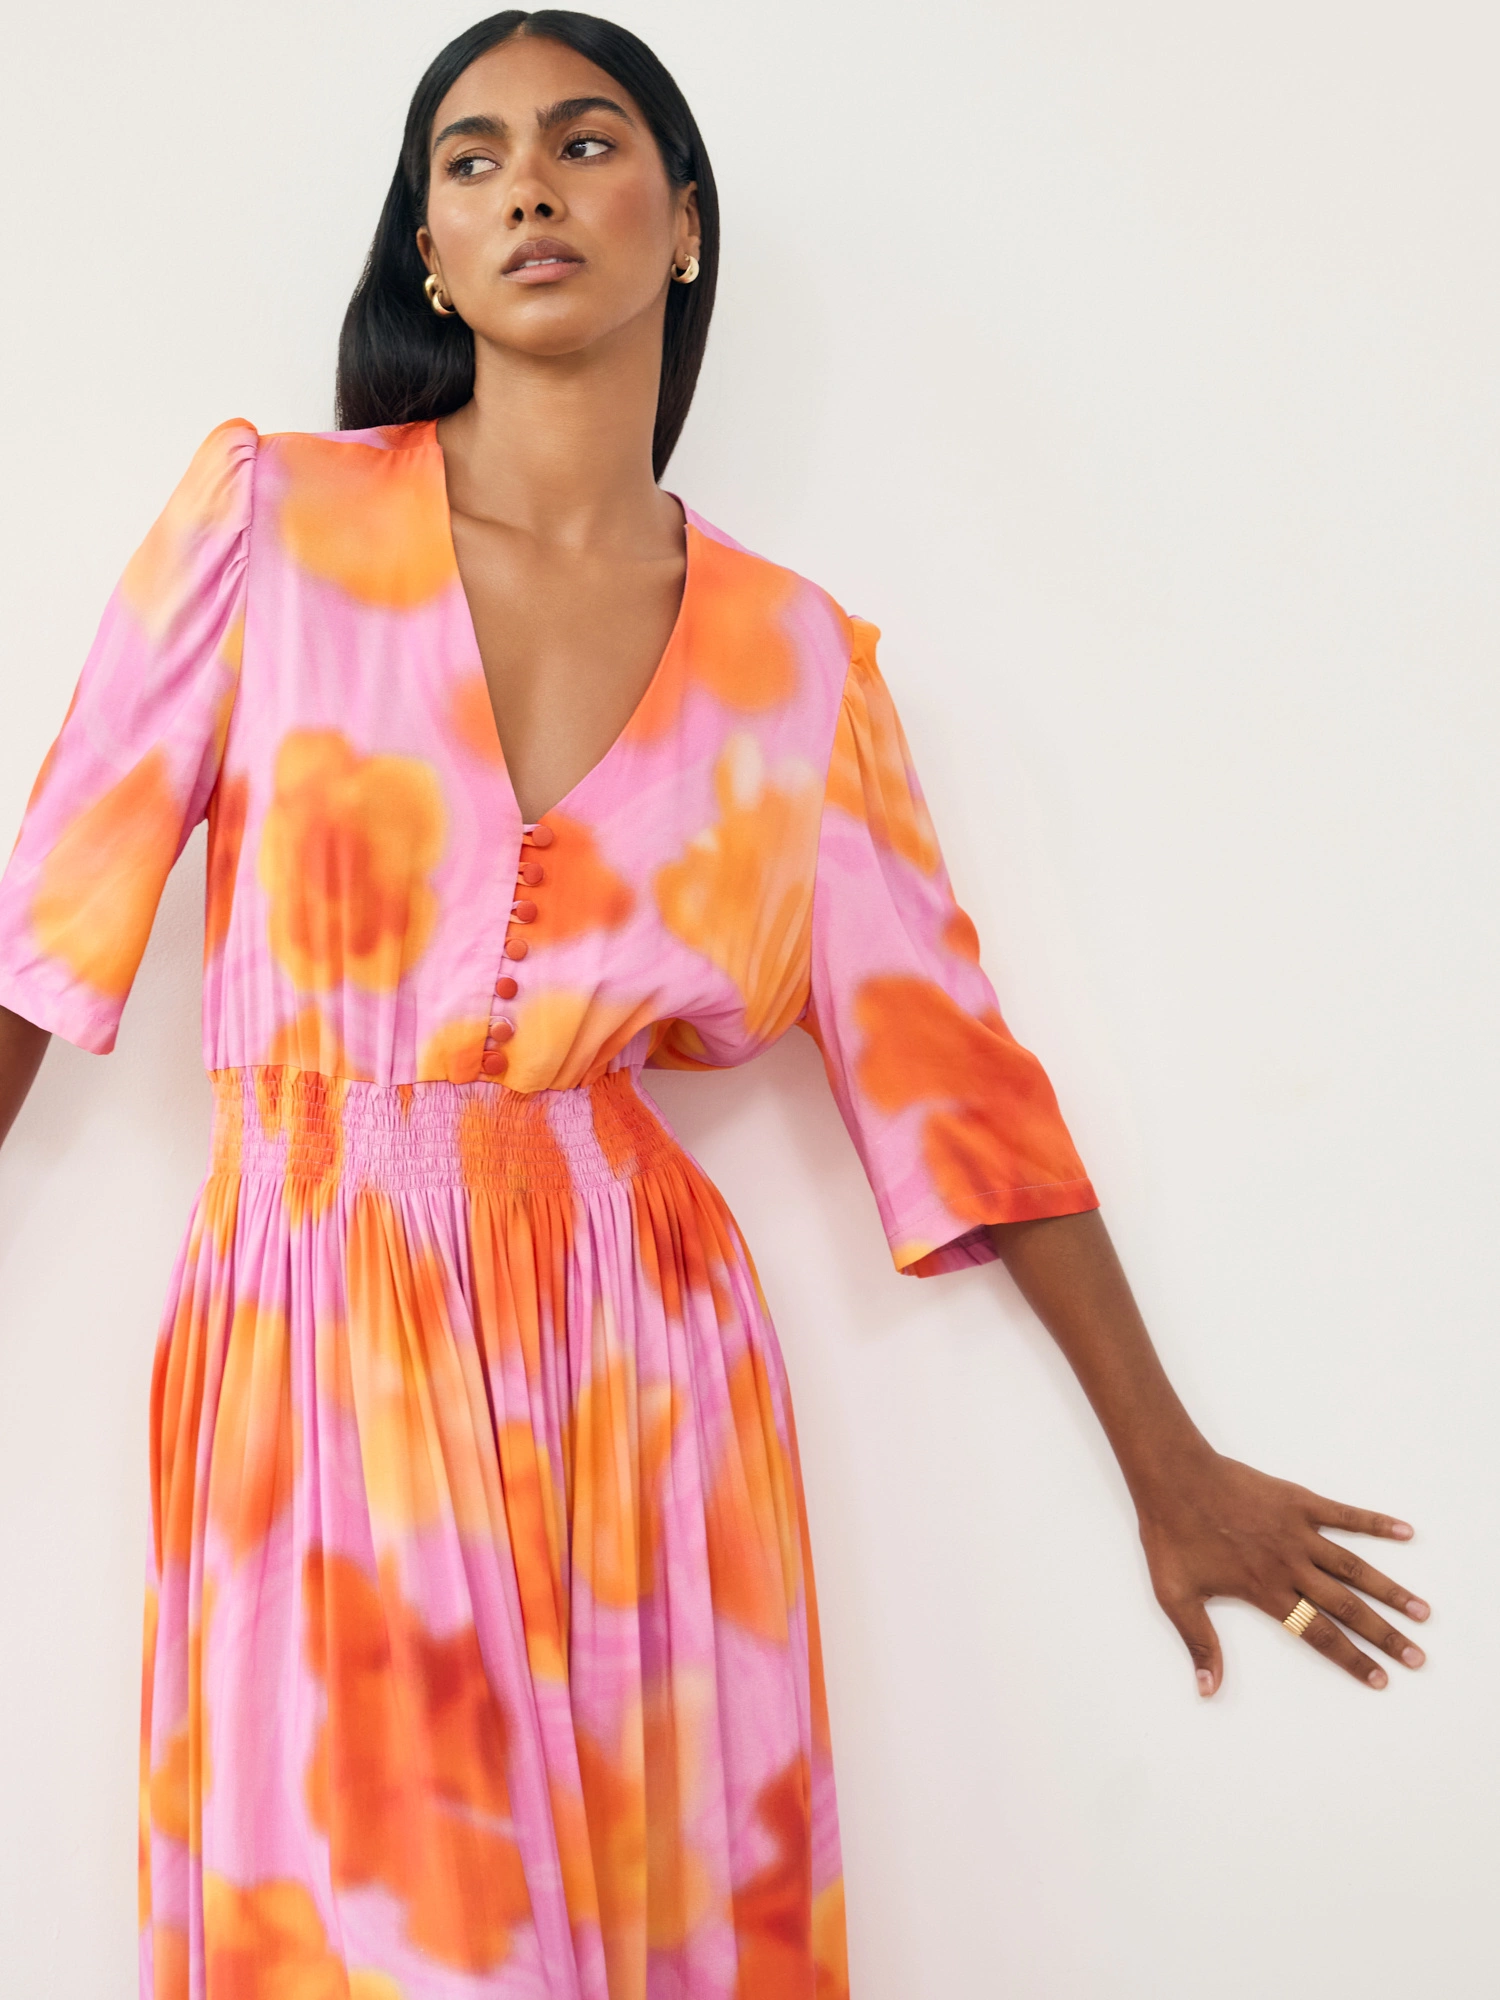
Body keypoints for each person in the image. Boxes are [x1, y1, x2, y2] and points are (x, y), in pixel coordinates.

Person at [0, 11, 1430, 1997]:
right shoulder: (270, 527)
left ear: (682, 223)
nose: (527, 185)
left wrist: (1168, 1466)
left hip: (642, 1372)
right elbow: (41, 930)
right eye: (472, 159)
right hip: (316, 1333)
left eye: (584, 143)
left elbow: (955, 1081)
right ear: (431, 254)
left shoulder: (797, 664)